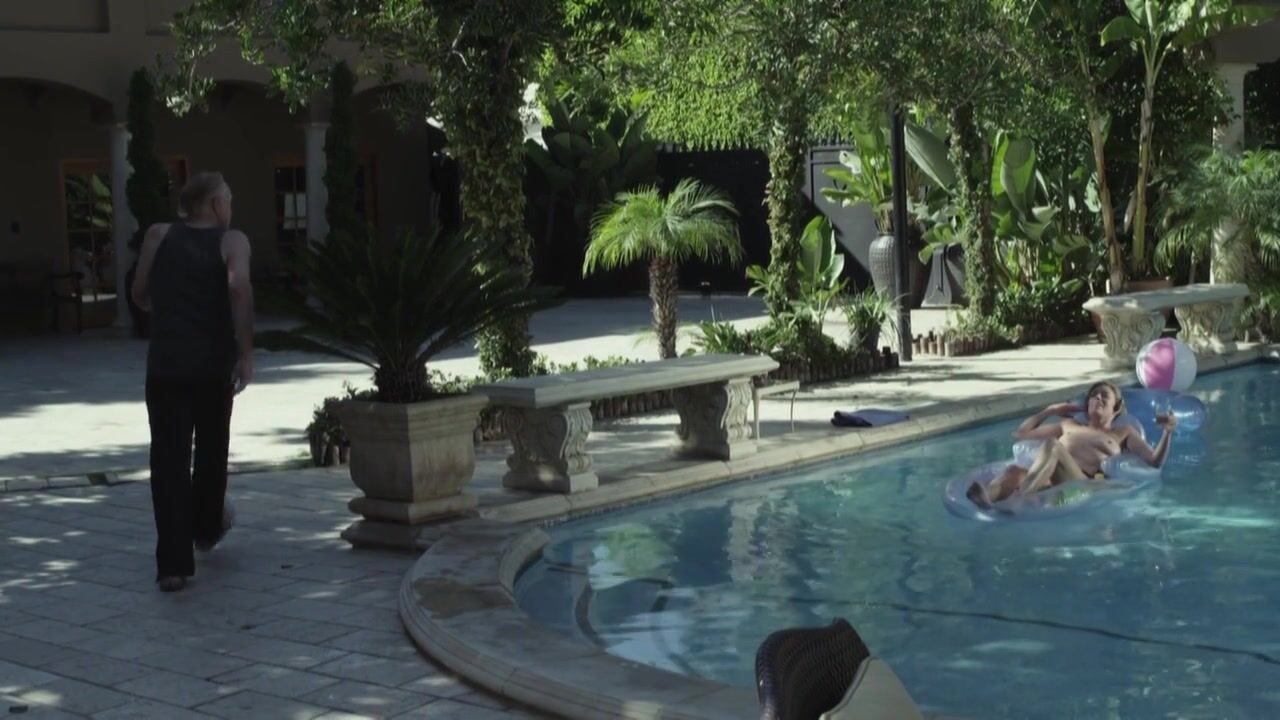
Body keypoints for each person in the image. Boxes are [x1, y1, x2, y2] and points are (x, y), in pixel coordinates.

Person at [131, 171, 254, 592]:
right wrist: (246, 353)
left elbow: (139, 293)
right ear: (217, 205)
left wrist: (166, 310)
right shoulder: (233, 241)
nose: (231, 208)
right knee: (211, 450)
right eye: (229, 200)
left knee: (168, 458)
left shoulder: (158, 235)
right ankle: (205, 529)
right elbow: (239, 290)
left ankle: (172, 566)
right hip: (212, 365)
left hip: (166, 364)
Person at [967, 381, 1176, 509]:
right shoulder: (1069, 425)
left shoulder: (1122, 432)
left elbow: (1154, 462)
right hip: (1048, 479)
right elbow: (1020, 434)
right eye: (1094, 396)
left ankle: (1022, 499)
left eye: (1104, 396)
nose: (1098, 398)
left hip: (1081, 484)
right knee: (1014, 470)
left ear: (1117, 407)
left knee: (1053, 446)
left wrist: (1167, 432)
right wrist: (1050, 411)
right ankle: (986, 496)